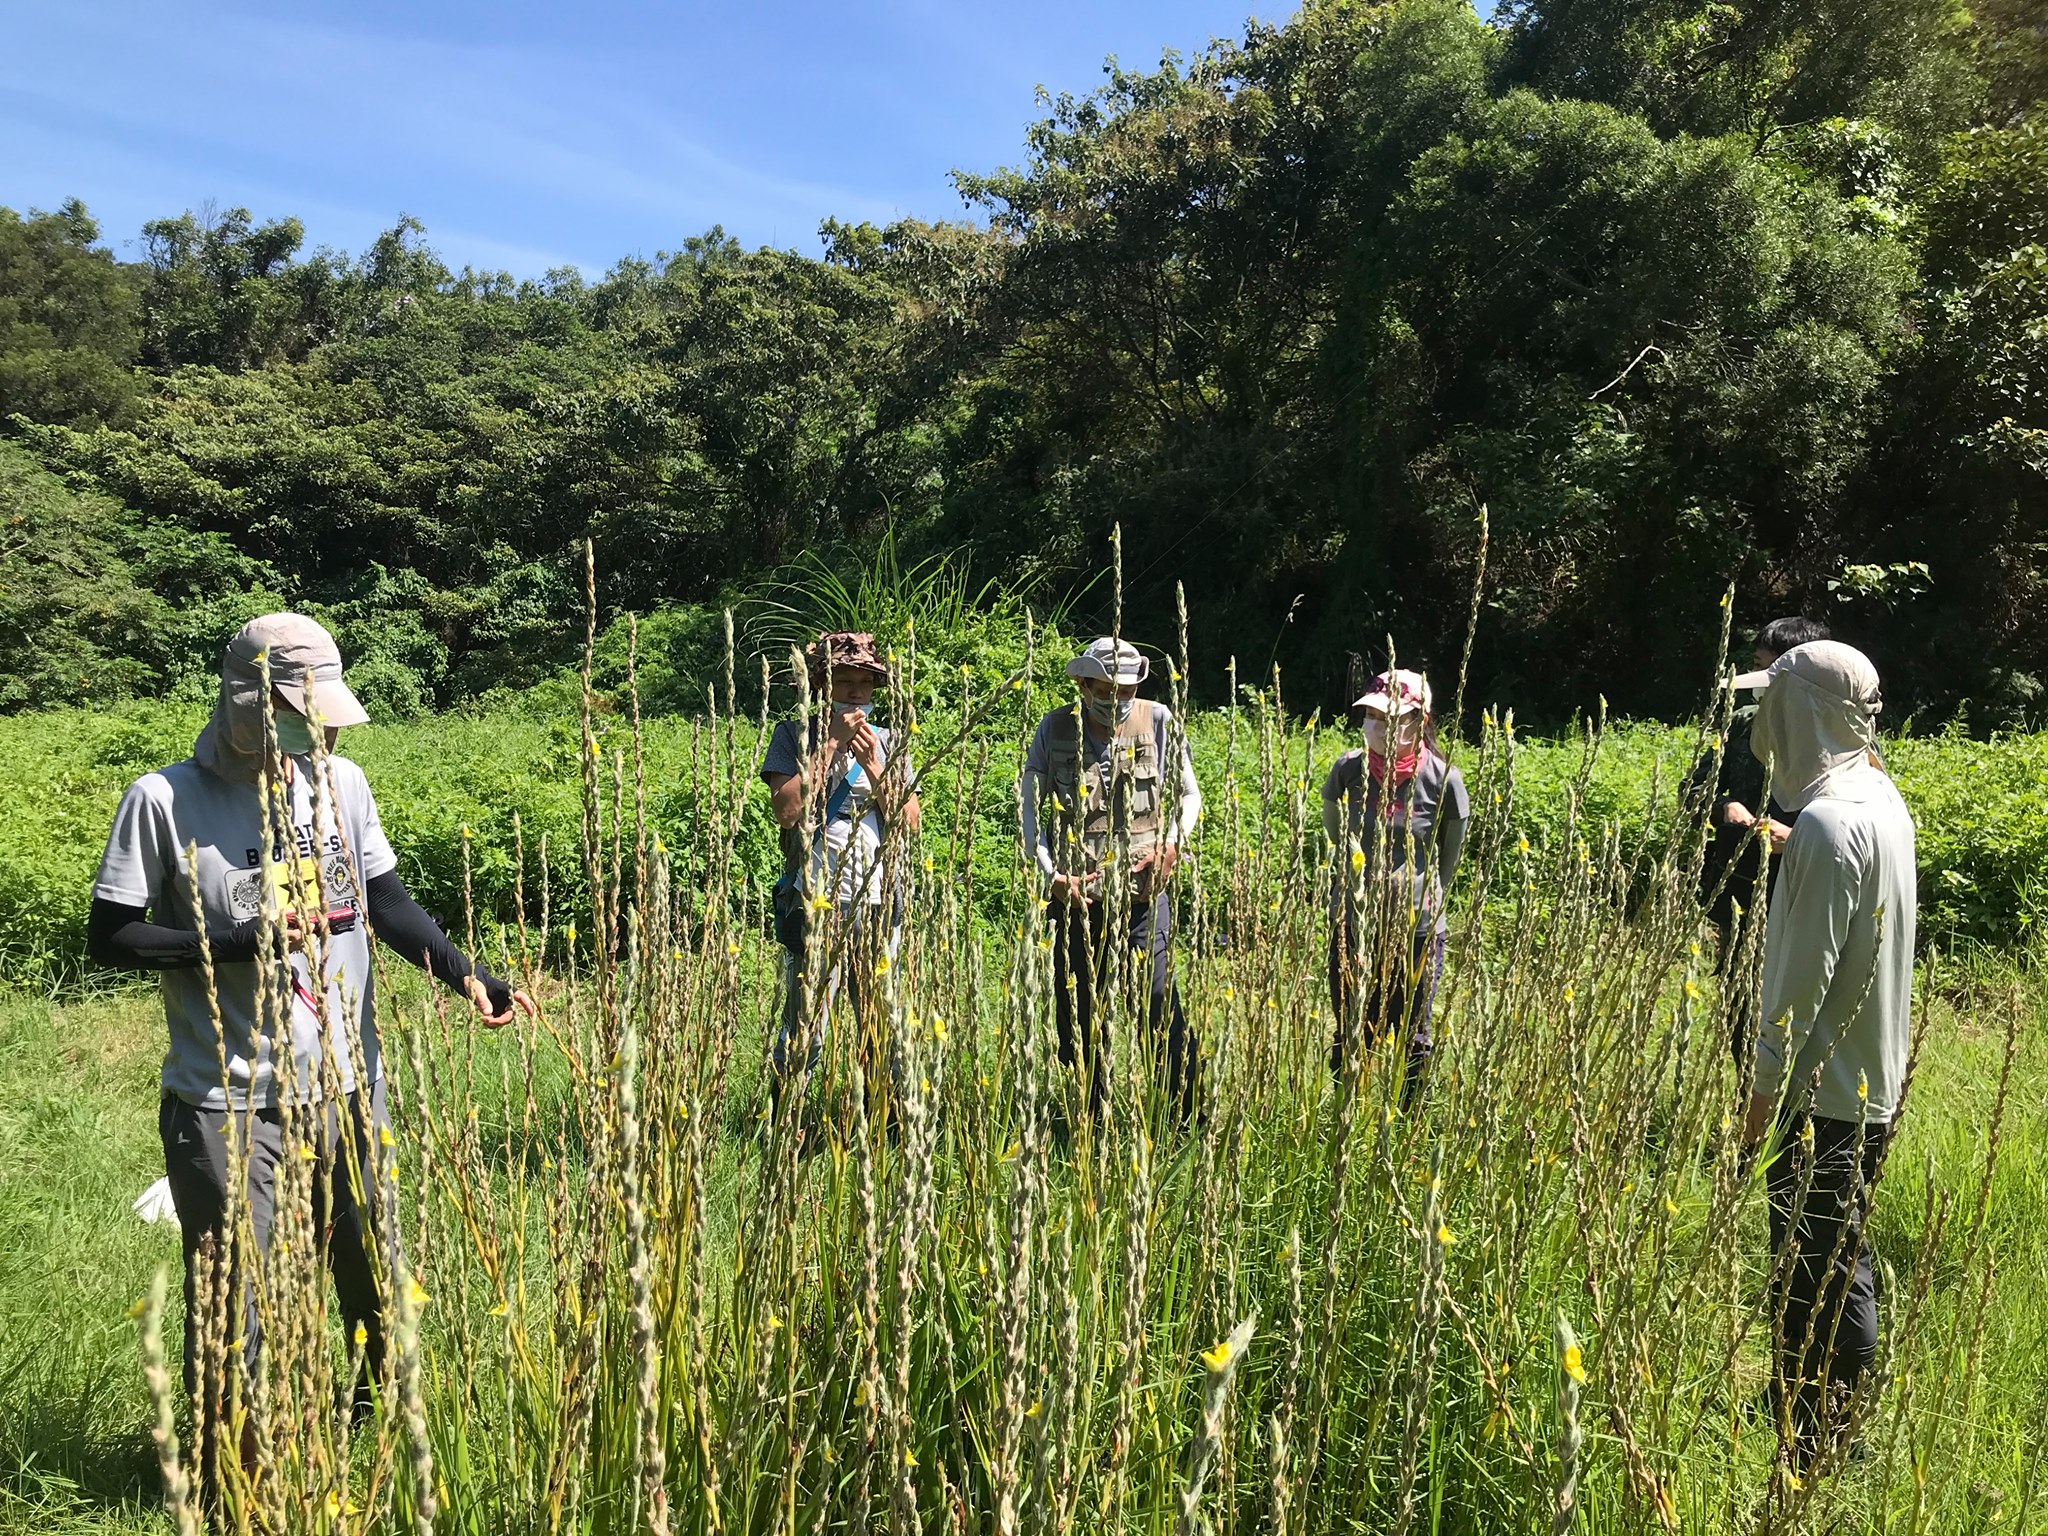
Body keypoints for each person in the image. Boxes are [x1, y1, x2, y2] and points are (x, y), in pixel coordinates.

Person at [85, 613, 534, 1493]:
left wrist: (465, 972)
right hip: (230, 1099)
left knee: (374, 1273)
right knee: (236, 1301)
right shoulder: (165, 799)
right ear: (251, 701)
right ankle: (232, 1483)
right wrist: (231, 942)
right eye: (302, 710)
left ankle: (372, 1442)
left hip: (349, 1087)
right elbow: (111, 936)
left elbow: (384, 901)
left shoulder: (342, 783)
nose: (319, 729)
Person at [1736, 640, 1915, 1468]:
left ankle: (1822, 1442)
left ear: (1802, 713)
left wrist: (1759, 1099)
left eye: (1772, 703)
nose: (1760, 720)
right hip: (1870, 1079)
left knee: (1820, 1268)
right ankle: (1810, 1413)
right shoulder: (1882, 798)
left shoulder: (1827, 821)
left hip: (1821, 1088)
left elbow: (1797, 988)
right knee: (1835, 1250)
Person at [1021, 636, 1202, 1124]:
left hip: (1142, 896)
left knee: (1158, 998)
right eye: (1104, 688)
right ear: (1082, 684)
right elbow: (1030, 815)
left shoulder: (1159, 719)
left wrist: (1171, 845)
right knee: (1081, 1007)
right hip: (1075, 899)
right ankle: (1089, 1117)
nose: (1116, 699)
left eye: (1125, 689)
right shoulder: (1054, 728)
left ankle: (1187, 1115)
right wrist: (1052, 876)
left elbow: (1188, 795)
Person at [759, 632, 919, 1107]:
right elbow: (787, 810)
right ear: (823, 687)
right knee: (805, 1019)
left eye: (864, 685)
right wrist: (830, 745)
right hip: (815, 898)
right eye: (843, 682)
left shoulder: (889, 741)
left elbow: (908, 821)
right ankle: (784, 1120)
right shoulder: (794, 735)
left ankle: (885, 1118)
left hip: (877, 900)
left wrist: (874, 765)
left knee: (878, 1017)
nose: (854, 694)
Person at [1321, 668, 1468, 1104]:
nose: (1377, 727)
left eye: (1389, 719)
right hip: (1355, 922)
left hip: (1417, 928)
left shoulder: (1443, 780)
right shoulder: (1347, 769)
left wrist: (1416, 895)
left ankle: (1408, 1124)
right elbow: (1336, 837)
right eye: (1372, 717)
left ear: (1418, 721)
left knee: (1414, 1034)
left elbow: (1449, 859)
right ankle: (1347, 1119)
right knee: (1351, 1027)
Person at [1693, 616, 1831, 981]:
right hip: (1741, 886)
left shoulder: (1840, 735)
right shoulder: (1740, 723)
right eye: (1758, 666)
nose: (1762, 681)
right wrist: (1724, 808)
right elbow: (1691, 792)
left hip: (1808, 893)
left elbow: (1860, 824)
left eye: (1772, 671)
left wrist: (1798, 838)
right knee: (1740, 997)